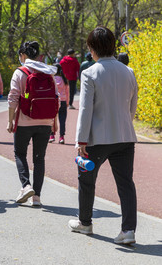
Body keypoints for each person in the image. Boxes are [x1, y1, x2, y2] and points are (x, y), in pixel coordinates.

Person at [68, 27, 138, 245]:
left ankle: (85, 222)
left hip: (97, 139)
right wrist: (125, 123)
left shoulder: (90, 73)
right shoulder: (128, 71)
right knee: (126, 183)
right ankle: (128, 230)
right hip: (125, 136)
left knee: (86, 179)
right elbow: (133, 105)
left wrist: (80, 141)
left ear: (93, 48)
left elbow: (85, 109)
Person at [7, 41, 57, 207]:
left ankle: (26, 185)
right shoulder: (48, 72)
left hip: (24, 121)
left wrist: (10, 120)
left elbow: (13, 98)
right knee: (39, 159)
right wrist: (54, 122)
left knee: (20, 153)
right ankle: (37, 197)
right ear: (38, 56)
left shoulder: (20, 72)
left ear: (23, 55)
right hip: (45, 122)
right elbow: (56, 99)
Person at [49, 64, 69, 144]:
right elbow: (67, 92)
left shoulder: (51, 79)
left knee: (52, 119)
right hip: (63, 101)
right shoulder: (64, 80)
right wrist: (67, 102)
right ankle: (61, 137)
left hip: (53, 101)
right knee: (62, 119)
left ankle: (52, 135)